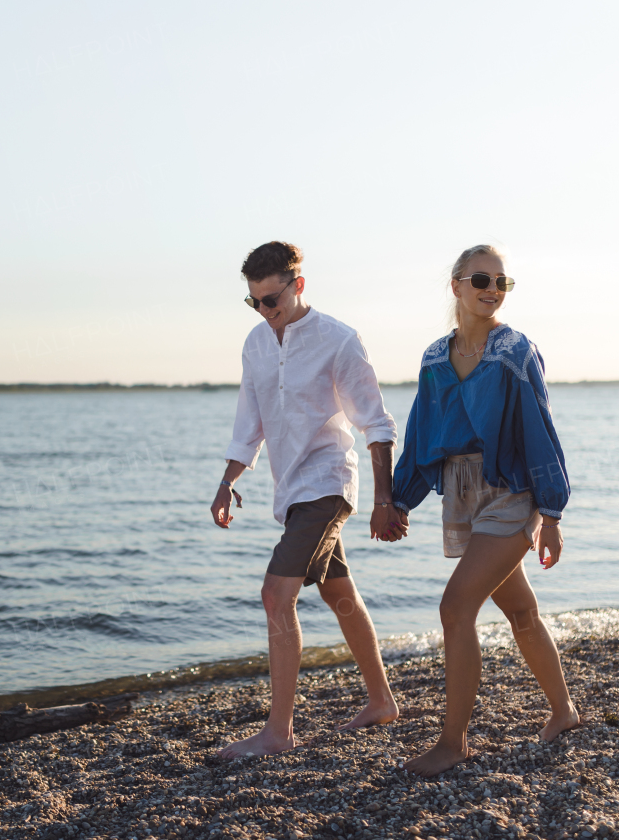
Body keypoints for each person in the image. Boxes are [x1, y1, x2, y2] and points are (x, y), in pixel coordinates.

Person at [388, 244, 581, 777]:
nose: (492, 289)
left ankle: (454, 743)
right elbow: (422, 434)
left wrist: (552, 513)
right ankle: (564, 712)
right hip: (461, 492)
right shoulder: (433, 358)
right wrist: (398, 499)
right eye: (481, 279)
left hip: (511, 491)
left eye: (501, 281)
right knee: (520, 612)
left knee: (455, 608)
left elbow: (540, 430)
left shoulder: (516, 351)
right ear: (456, 286)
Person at [211, 240, 405, 758]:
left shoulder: (338, 340)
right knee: (338, 592)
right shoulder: (254, 344)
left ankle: (278, 732)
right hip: (291, 490)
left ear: (298, 286)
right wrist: (227, 482)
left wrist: (384, 499)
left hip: (328, 483)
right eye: (255, 302)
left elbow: (376, 422)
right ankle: (382, 701)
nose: (266, 311)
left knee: (277, 595)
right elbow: (248, 424)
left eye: (272, 299)